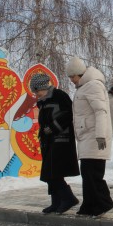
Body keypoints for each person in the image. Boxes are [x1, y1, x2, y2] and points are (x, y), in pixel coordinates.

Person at [66, 56, 113, 217]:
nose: (71, 80)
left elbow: (101, 112)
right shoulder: (84, 87)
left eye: (72, 76)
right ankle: (89, 205)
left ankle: (103, 204)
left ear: (79, 73)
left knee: (92, 173)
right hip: (87, 136)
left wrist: (100, 135)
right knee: (88, 173)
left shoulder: (93, 85)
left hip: (95, 136)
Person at [30, 73, 80, 215]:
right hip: (48, 141)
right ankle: (56, 201)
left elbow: (69, 114)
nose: (36, 94)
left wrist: (52, 128)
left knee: (53, 172)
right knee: (49, 173)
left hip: (61, 140)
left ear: (43, 87)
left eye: (37, 91)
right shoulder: (43, 101)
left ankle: (68, 199)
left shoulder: (59, 95)